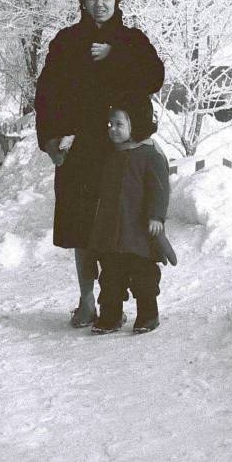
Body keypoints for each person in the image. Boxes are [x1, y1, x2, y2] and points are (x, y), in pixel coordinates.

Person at [34, 0, 165, 328]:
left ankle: (120, 299)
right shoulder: (66, 42)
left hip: (120, 151)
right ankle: (88, 299)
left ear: (117, 0)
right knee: (82, 227)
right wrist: (51, 139)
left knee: (122, 226)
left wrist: (116, 55)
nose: (99, 4)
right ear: (81, 2)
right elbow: (46, 94)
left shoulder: (132, 41)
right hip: (80, 150)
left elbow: (154, 78)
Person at [90, 96, 173, 335]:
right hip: (111, 231)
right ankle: (111, 315)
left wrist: (156, 216)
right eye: (110, 125)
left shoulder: (149, 155)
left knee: (143, 275)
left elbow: (159, 189)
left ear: (134, 125)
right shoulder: (110, 155)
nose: (112, 129)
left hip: (139, 232)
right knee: (110, 276)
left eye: (119, 124)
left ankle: (148, 314)